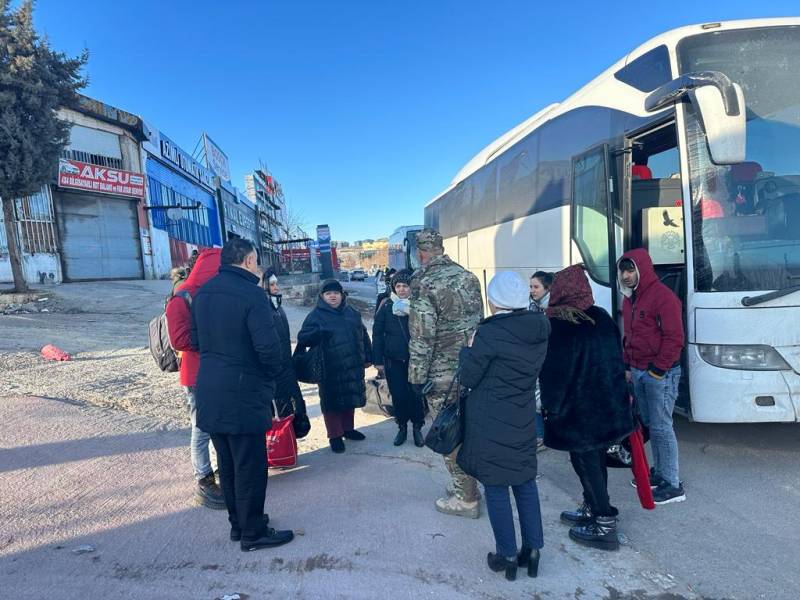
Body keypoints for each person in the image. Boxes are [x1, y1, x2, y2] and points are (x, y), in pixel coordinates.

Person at [192, 238, 294, 551]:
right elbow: (268, 348)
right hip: (243, 391)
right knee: (249, 466)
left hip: (209, 388)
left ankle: (239, 525)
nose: (259, 267)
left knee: (229, 463)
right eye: (257, 261)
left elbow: (196, 341)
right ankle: (253, 533)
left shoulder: (203, 293)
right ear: (249, 260)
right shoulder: (252, 294)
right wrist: (273, 376)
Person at [457, 271, 550, 581]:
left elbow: (469, 377)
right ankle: (532, 551)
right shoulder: (539, 328)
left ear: (494, 302)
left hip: (490, 420)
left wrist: (467, 349)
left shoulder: (489, 334)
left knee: (496, 487)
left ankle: (507, 555)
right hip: (522, 417)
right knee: (525, 483)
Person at [539, 265, 634, 551]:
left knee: (586, 462)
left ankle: (604, 523)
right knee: (595, 460)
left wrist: (551, 408)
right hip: (606, 405)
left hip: (578, 410)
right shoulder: (601, 317)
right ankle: (593, 507)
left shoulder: (560, 324)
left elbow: (554, 373)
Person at [409, 228, 484, 518]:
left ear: (421, 252)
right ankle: (468, 487)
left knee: (449, 433)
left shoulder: (423, 281)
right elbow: (480, 322)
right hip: (472, 368)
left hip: (442, 373)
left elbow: (422, 335)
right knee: (468, 428)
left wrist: (416, 375)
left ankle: (466, 498)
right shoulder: (468, 276)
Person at [618, 249, 686, 505]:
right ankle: (660, 473)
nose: (625, 275)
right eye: (623, 271)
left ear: (642, 269)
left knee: (661, 426)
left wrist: (658, 370)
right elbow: (630, 336)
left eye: (630, 269)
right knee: (651, 424)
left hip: (660, 373)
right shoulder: (630, 299)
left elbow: (674, 338)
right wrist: (627, 365)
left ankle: (673, 484)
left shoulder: (663, 297)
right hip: (638, 371)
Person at [165, 248, 225, 510]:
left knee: (223, 424)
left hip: (221, 371)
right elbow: (179, 340)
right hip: (197, 375)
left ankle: (225, 471)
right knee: (201, 429)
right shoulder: (182, 299)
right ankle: (204, 479)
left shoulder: (218, 294)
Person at [297, 279, 372, 453]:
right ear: (322, 296)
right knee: (331, 402)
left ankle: (348, 429)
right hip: (329, 367)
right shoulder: (315, 315)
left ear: (341, 295)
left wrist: (368, 355)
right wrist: (317, 333)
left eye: (336, 293)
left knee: (350, 398)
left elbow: (363, 334)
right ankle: (335, 436)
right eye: (328, 293)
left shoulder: (352, 312)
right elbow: (303, 338)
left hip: (352, 364)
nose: (333, 296)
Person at [372, 269, 424, 447]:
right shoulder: (386, 306)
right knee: (399, 396)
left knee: (416, 396)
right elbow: (377, 334)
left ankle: (417, 428)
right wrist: (377, 361)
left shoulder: (419, 305)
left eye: (405, 286)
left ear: (412, 287)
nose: (402, 289)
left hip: (416, 361)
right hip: (393, 360)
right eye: (398, 286)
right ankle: (402, 427)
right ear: (394, 288)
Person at [261, 269, 310, 436]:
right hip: (273, 369)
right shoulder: (262, 308)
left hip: (285, 366)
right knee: (278, 411)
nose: (276, 287)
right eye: (272, 284)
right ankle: (280, 448)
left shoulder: (277, 306)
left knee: (293, 409)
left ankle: (288, 445)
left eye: (276, 284)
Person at [529, 270, 553, 448]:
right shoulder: (534, 306)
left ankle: (543, 436)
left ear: (547, 288)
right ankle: (540, 435)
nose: (532, 290)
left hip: (548, 359)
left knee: (540, 397)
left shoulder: (552, 308)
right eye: (530, 286)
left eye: (536, 287)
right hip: (537, 358)